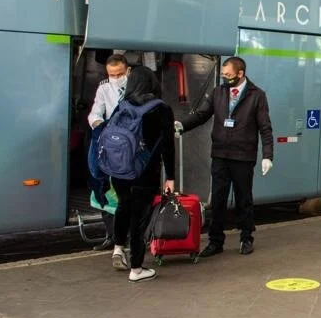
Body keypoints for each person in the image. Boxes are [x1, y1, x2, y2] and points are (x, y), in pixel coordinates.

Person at [177, 57, 273, 257]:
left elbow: (265, 127)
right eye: (223, 74)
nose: (224, 78)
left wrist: (267, 155)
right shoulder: (218, 92)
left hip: (243, 156)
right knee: (218, 199)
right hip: (220, 153)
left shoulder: (257, 95)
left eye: (228, 75)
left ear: (240, 74)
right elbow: (202, 114)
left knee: (243, 199)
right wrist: (182, 125)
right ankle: (215, 241)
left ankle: (246, 238)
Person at [109, 67, 176, 282]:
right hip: (144, 172)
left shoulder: (122, 105)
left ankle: (118, 249)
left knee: (123, 206)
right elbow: (168, 147)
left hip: (119, 170)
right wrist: (171, 177)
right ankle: (136, 269)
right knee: (139, 219)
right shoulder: (161, 109)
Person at [87, 54, 129, 251]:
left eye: (119, 73)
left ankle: (127, 237)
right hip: (111, 144)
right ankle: (111, 235)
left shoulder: (136, 86)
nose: (116, 77)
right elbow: (96, 112)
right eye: (112, 74)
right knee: (106, 190)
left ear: (127, 70)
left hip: (130, 146)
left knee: (126, 194)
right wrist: (98, 125)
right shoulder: (104, 88)